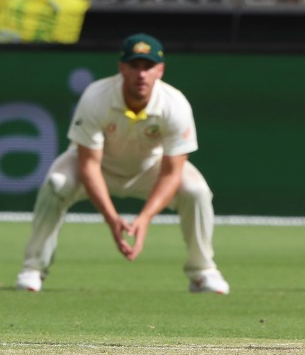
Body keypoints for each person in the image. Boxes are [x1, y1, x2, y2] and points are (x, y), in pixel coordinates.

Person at [16, 33, 230, 294]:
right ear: (121, 68)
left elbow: (172, 172)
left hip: (149, 170)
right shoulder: (97, 96)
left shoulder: (175, 105)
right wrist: (111, 219)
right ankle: (34, 268)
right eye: (134, 66)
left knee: (196, 192)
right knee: (56, 183)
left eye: (148, 67)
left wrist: (145, 218)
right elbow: (89, 165)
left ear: (160, 70)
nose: (141, 74)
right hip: (100, 168)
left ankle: (202, 271)